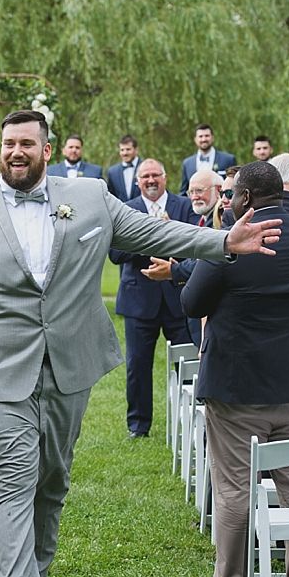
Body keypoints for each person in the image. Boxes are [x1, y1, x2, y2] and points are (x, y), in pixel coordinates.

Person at [0, 110, 282, 577]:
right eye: (9, 143)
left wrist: (222, 241)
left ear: (46, 151)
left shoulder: (89, 197)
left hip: (69, 364)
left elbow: (154, 231)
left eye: (27, 143)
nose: (16, 151)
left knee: (51, 478)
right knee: (9, 480)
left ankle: (37, 575)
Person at [180, 161, 289, 577]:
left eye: (231, 195)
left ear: (246, 198)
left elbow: (193, 302)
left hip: (239, 387)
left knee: (234, 489)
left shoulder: (233, 241)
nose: (228, 202)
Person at [108, 159, 197, 438]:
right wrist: (147, 235)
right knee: (137, 366)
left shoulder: (184, 207)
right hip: (139, 300)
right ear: (137, 182)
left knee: (187, 363)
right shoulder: (127, 210)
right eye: (145, 176)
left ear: (165, 177)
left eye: (155, 175)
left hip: (179, 298)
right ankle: (138, 425)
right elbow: (115, 255)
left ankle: (192, 422)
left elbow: (199, 249)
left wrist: (171, 234)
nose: (150, 180)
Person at [179, 123, 236, 193]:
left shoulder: (228, 159)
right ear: (195, 139)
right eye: (200, 136)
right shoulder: (187, 163)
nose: (204, 139)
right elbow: (184, 191)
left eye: (207, 136)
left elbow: (234, 186)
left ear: (212, 137)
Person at [106, 134, 143, 202]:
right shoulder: (112, 172)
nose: (124, 153)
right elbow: (111, 196)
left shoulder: (146, 168)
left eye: (128, 149)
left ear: (136, 150)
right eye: (122, 150)